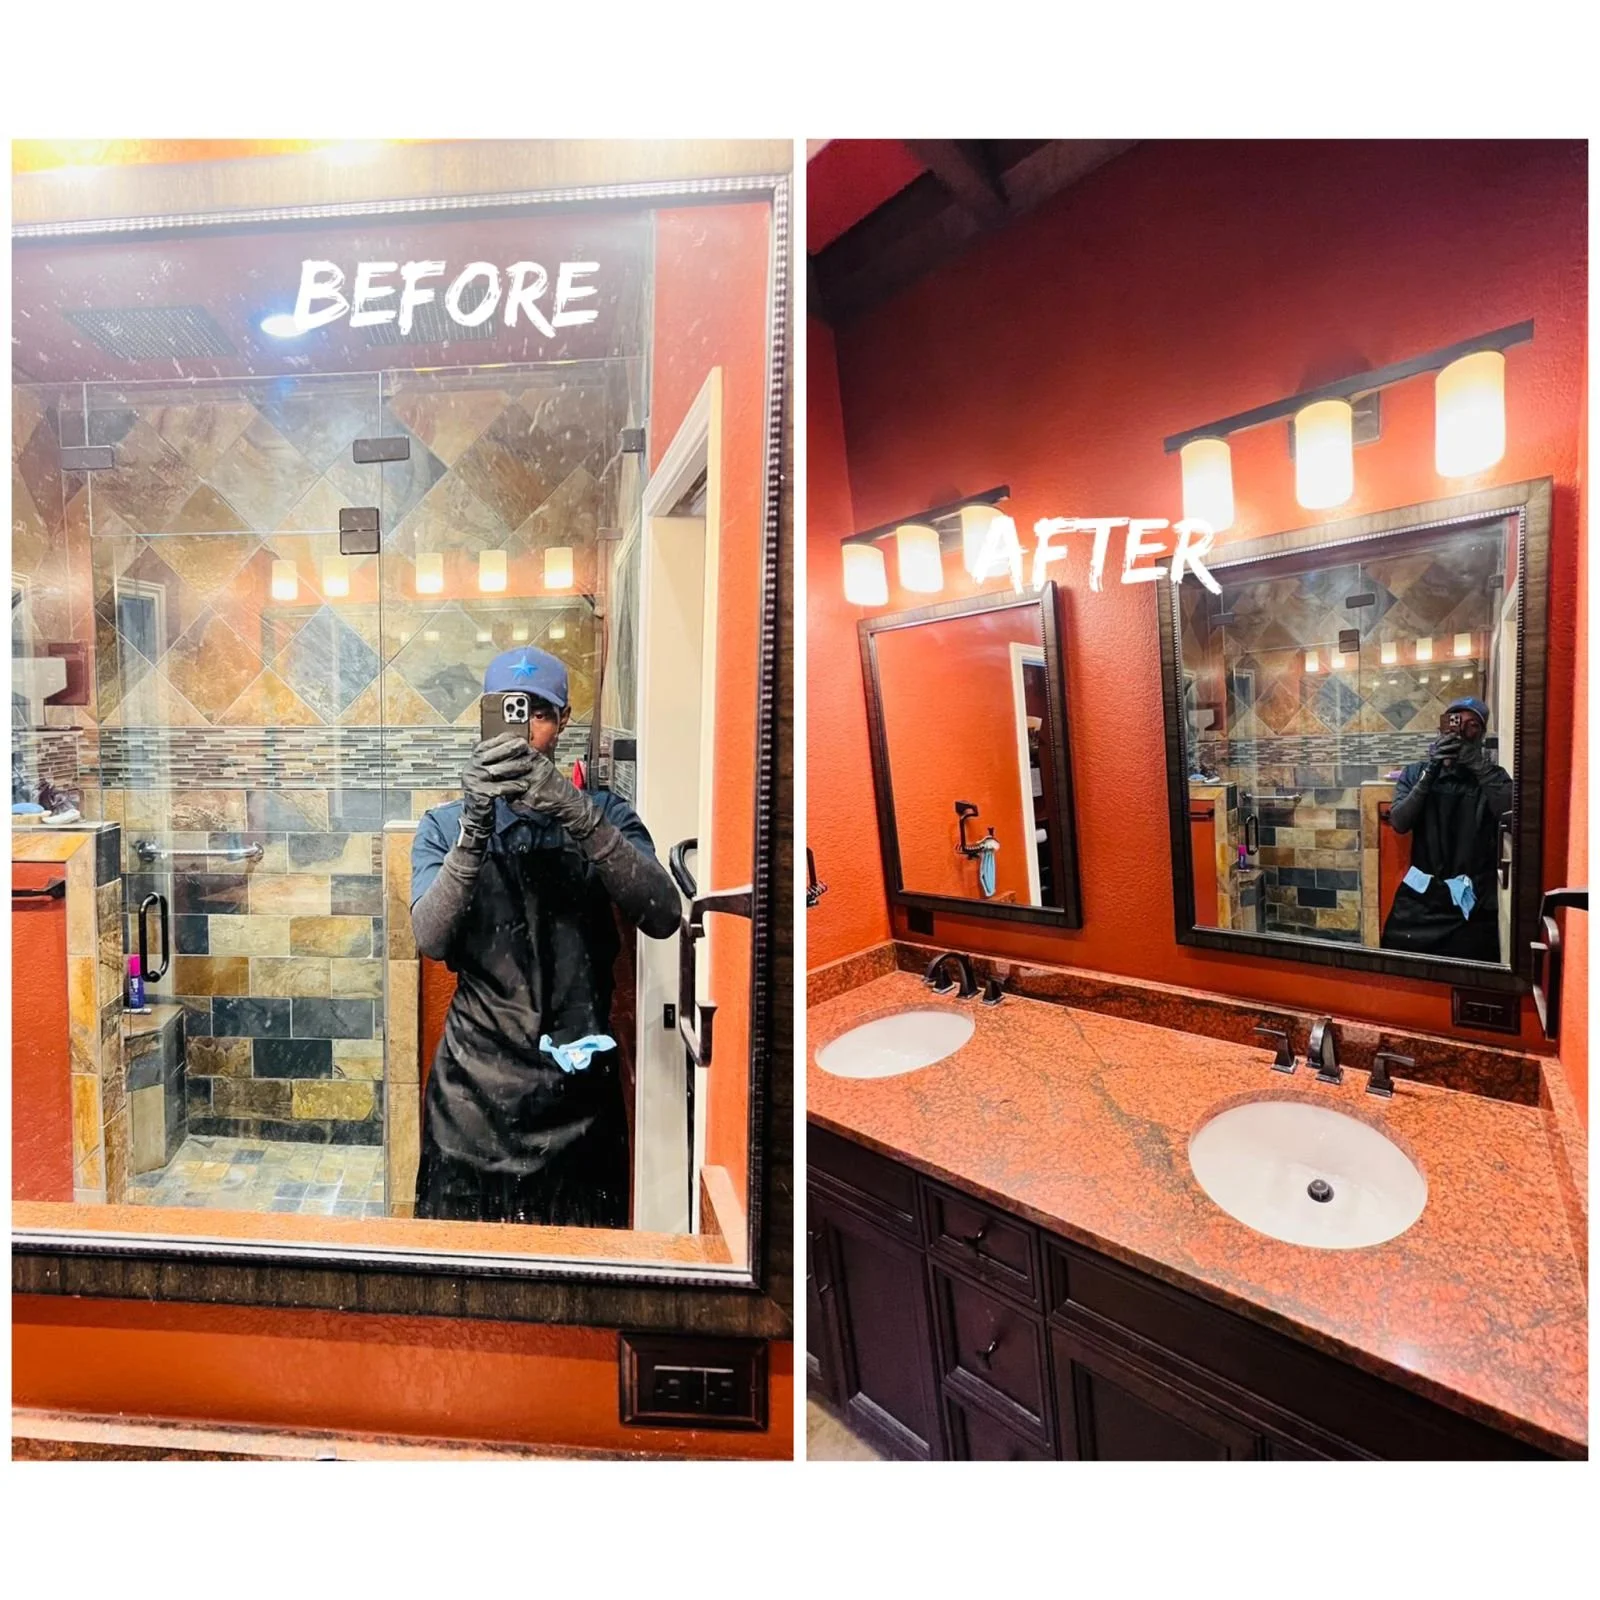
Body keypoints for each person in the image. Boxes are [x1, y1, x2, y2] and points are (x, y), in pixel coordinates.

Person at [409, 647, 680, 1226]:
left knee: (582, 1289)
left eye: (540, 712)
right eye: (510, 710)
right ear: (483, 718)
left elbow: (662, 914)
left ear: (563, 722)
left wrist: (575, 813)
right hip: (470, 1104)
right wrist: (475, 828)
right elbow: (431, 939)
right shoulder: (444, 826)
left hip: (577, 1101)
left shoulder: (605, 813)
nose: (526, 728)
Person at [1380, 695, 1512, 963]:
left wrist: (1477, 765)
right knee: (1395, 959)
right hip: (1421, 897)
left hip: (1471, 901)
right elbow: (1400, 822)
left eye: (1472, 725)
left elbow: (1514, 814)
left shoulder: (1493, 776)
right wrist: (1432, 768)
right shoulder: (1417, 772)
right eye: (1454, 722)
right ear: (1441, 729)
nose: (1462, 730)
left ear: (1482, 735)